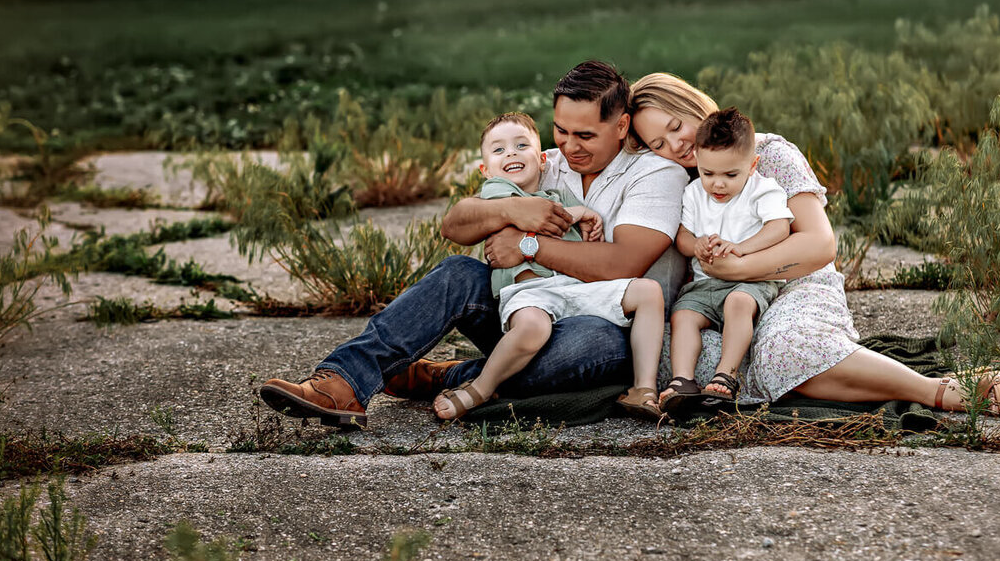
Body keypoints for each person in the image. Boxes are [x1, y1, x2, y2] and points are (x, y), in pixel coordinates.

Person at [259, 61, 688, 429]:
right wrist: (510, 212)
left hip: (613, 326)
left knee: (589, 341)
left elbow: (624, 262)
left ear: (621, 125)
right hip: (529, 308)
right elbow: (456, 223)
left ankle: (457, 377)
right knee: (457, 273)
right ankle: (342, 383)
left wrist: (527, 246)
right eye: (560, 130)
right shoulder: (546, 162)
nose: (569, 146)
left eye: (585, 136)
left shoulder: (654, 174)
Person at [627, 72, 1000, 415]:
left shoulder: (768, 154)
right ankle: (771, 372)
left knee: (782, 351)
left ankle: (937, 391)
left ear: (695, 105)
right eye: (658, 143)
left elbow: (818, 245)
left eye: (677, 126)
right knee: (673, 357)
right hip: (716, 295)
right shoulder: (681, 183)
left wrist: (739, 267)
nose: (676, 145)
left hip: (794, 281)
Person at [431, 111, 665, 421]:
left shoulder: (557, 194)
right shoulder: (497, 195)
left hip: (574, 288)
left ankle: (644, 389)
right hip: (529, 292)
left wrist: (582, 219)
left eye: (521, 145)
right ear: (485, 170)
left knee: (648, 292)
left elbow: (563, 222)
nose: (511, 153)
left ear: (543, 160)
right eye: (499, 150)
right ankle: (480, 388)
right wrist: (579, 213)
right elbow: (540, 216)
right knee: (532, 328)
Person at [662, 107, 793, 413]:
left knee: (738, 304)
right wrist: (698, 246)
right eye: (709, 173)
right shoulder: (695, 193)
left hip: (750, 282)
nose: (717, 184)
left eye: (730, 175)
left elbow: (779, 227)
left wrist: (741, 248)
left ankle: (726, 374)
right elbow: (683, 237)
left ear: (752, 165)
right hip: (706, 285)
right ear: (697, 161)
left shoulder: (763, 189)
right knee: (683, 316)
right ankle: (682, 381)